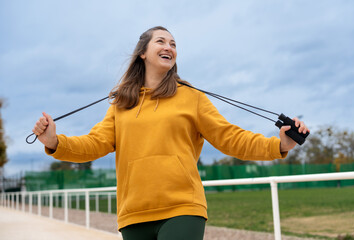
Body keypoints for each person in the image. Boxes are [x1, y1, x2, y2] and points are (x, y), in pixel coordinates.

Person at [32, 26, 309, 240]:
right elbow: (94, 144)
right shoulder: (121, 104)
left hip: (182, 208)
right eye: (161, 41)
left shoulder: (191, 97)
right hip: (133, 214)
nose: (169, 47)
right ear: (143, 52)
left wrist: (279, 145)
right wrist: (55, 142)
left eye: (174, 44)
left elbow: (230, 137)